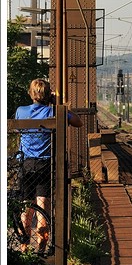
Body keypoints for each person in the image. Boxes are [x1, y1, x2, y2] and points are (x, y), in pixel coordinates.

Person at [14, 77, 83, 255]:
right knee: (42, 205)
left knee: (25, 207)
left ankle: (24, 248)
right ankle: (42, 249)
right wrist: (58, 105)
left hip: (26, 164)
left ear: (31, 93)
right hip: (45, 165)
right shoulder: (53, 112)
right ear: (48, 95)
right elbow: (78, 121)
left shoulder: (21, 111)